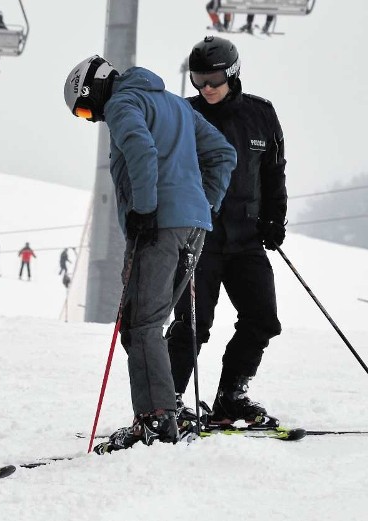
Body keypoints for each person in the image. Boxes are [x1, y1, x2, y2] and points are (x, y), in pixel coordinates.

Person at [63, 55, 235, 451]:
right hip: (194, 228)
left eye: (87, 109)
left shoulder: (123, 104)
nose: (93, 120)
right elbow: (224, 154)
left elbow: (139, 150)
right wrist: (201, 205)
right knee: (149, 323)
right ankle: (162, 414)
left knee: (141, 325)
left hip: (159, 227)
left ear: (95, 88)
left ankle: (156, 422)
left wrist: (146, 208)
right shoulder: (175, 103)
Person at [167, 36, 287, 429]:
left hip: (248, 239)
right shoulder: (183, 115)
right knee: (192, 324)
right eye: (198, 81)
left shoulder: (261, 115)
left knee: (262, 318)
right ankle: (168, 403)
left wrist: (274, 219)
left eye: (213, 80)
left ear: (232, 73)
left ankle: (231, 396)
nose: (206, 89)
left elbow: (273, 174)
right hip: (199, 240)